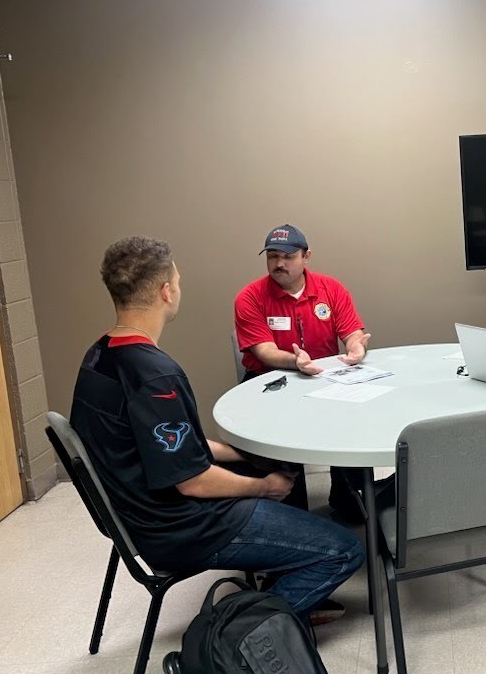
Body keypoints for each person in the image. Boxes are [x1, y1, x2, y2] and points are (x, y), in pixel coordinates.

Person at [71, 236, 364, 620]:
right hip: (181, 527)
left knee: (263, 465)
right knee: (344, 549)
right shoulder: (156, 376)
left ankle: (280, 569)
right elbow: (192, 481)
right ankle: (236, 630)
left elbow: (171, 445)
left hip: (139, 511)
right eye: (178, 281)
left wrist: (244, 456)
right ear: (166, 292)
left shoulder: (100, 354)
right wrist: (264, 487)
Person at [234, 223, 372, 523]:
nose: (279, 263)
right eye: (273, 256)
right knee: (281, 449)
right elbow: (264, 352)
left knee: (354, 426)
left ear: (306, 256)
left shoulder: (331, 288)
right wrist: (294, 361)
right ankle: (294, 517)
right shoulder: (250, 297)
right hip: (270, 381)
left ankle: (348, 499)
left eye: (288, 256)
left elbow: (352, 332)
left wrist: (355, 347)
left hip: (323, 376)